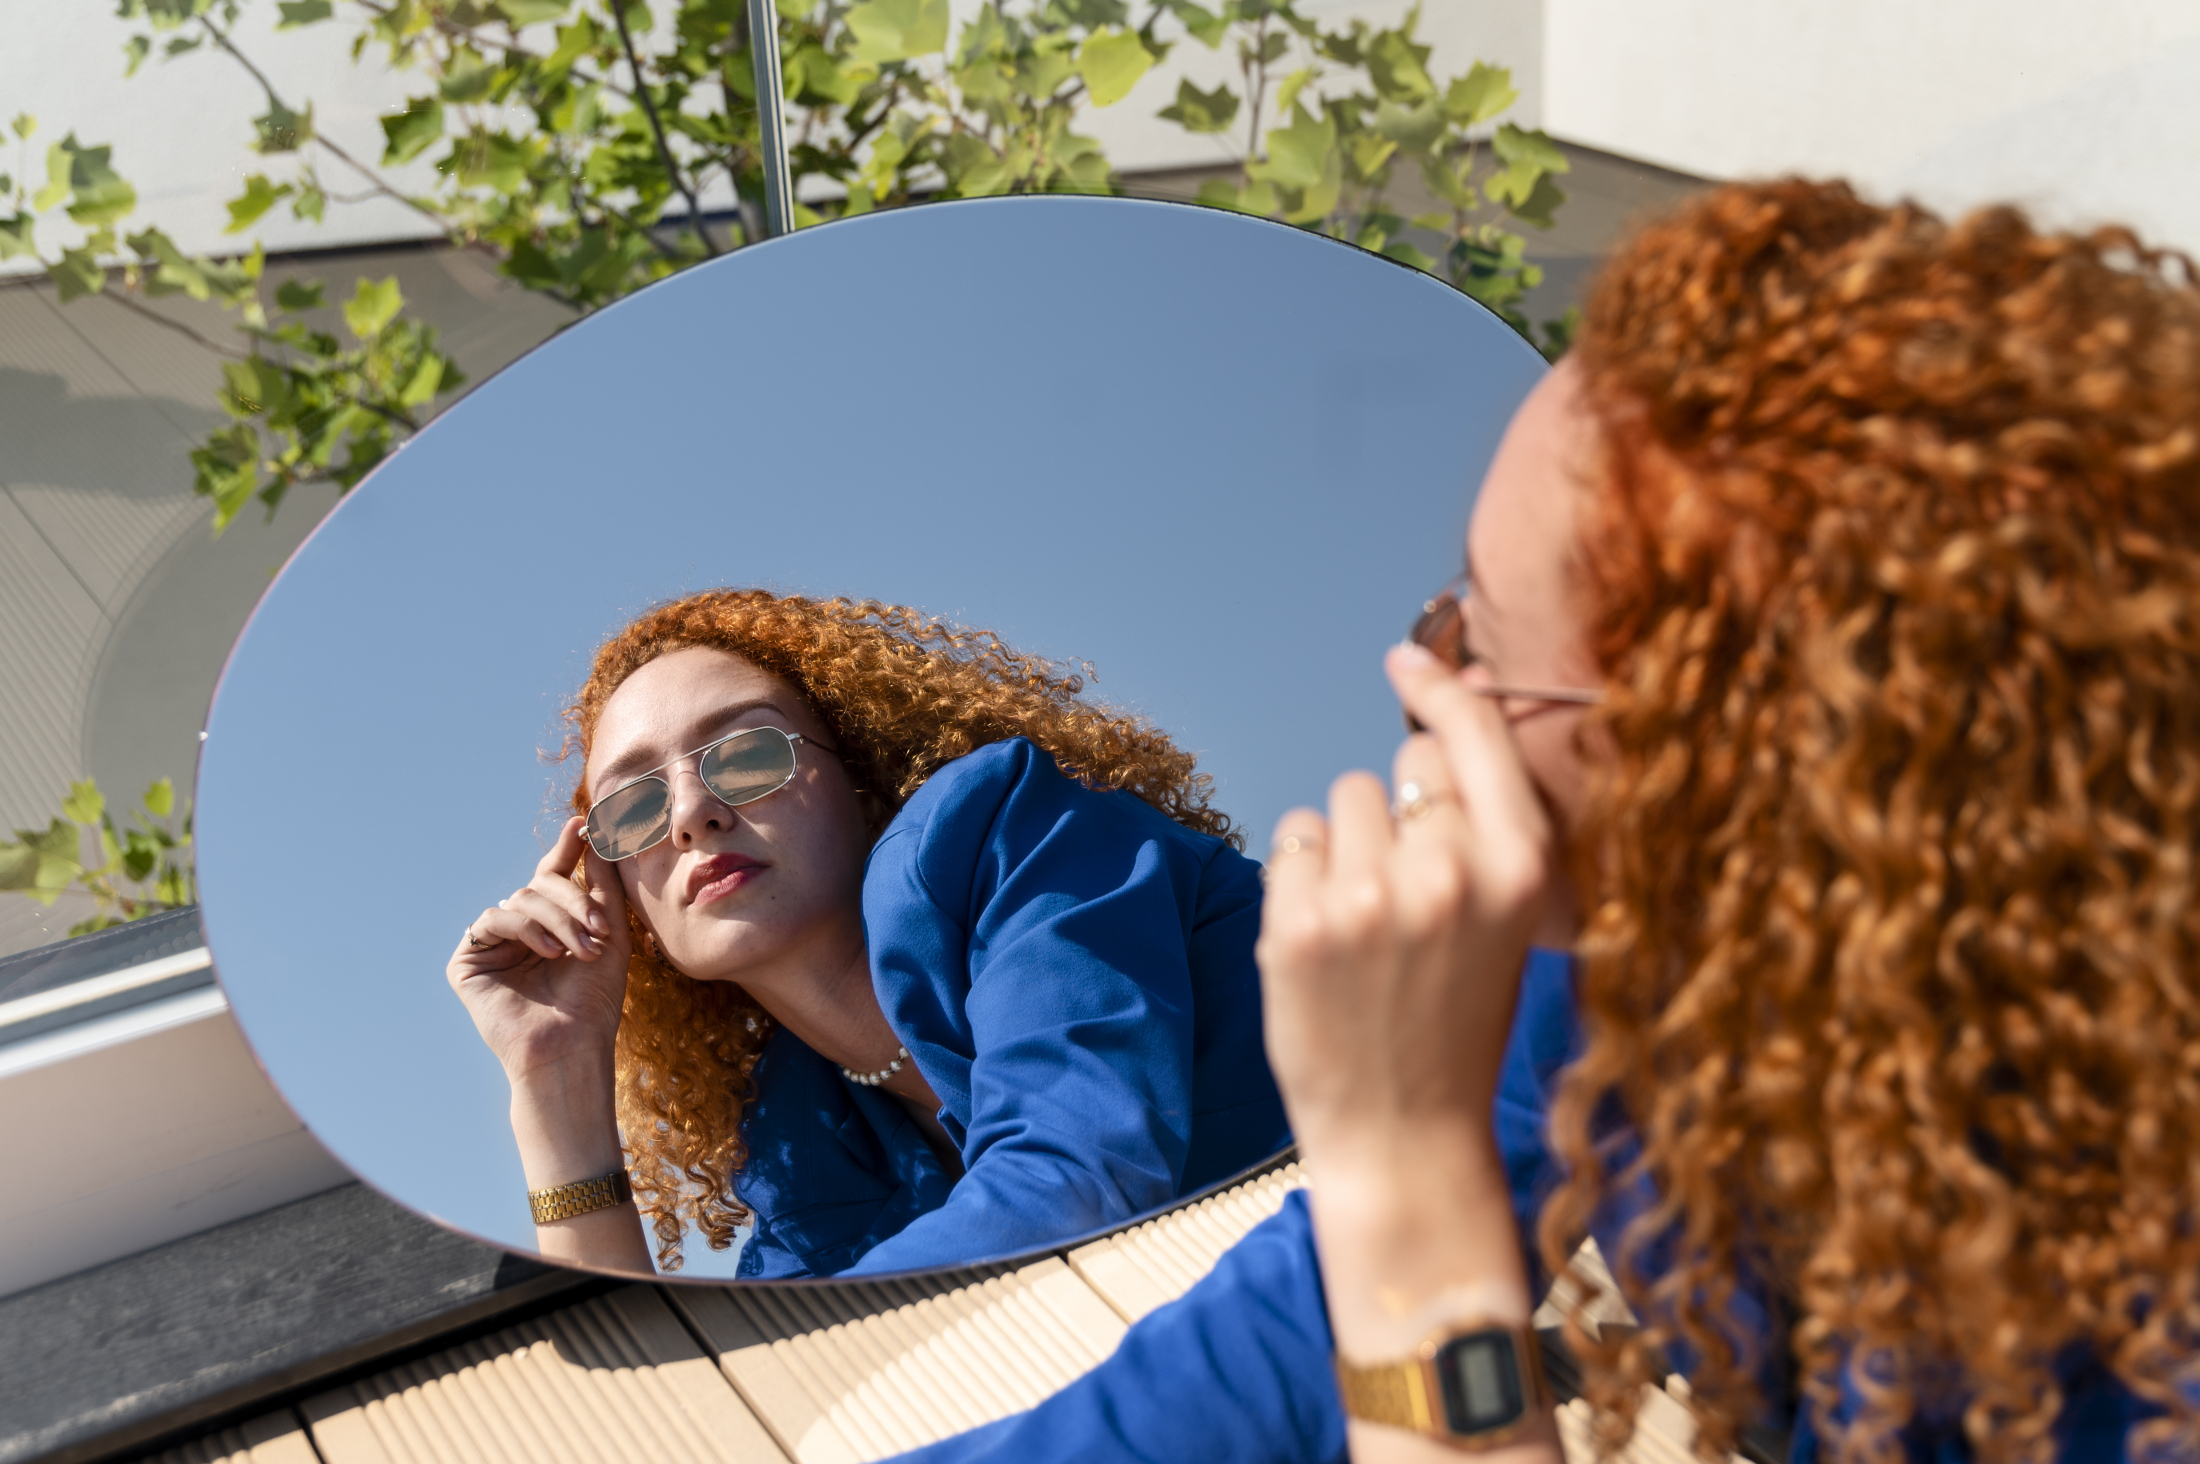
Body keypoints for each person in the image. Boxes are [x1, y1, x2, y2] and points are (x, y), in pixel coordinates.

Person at [890, 178, 2200, 1463]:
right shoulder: (1623, 960)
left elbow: (1409, 1315)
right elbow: (1292, 1333)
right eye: (1446, 597)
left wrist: (1404, 1180)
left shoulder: (2137, 1341)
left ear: (1756, 771)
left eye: (1486, 643)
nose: (1420, 672)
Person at [447, 590, 1289, 1277]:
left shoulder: (1007, 829)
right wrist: (555, 1084)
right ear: (620, 890)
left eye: (745, 756)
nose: (694, 815)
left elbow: (1076, 1182)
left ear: (861, 777)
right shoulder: (796, 1142)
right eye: (634, 808)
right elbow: (673, 1408)